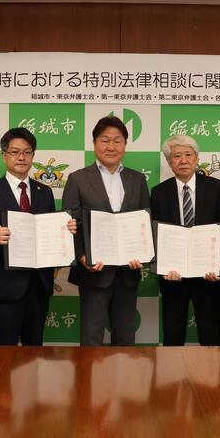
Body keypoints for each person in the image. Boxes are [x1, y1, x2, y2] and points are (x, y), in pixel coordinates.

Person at [0, 127, 76, 346]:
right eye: (15, 152)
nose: (21, 157)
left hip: (38, 285)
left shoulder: (43, 191)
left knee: (34, 348)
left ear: (33, 156)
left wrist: (65, 231)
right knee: (5, 351)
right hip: (5, 286)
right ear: (4, 155)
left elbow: (49, 232)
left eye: (27, 152)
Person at [62, 116, 150, 346]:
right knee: (91, 338)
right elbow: (70, 224)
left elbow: (144, 222)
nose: (111, 146)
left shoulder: (137, 179)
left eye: (117, 141)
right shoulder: (78, 179)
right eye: (105, 140)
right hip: (93, 272)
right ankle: (89, 384)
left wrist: (141, 254)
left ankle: (123, 383)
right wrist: (82, 256)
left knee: (125, 338)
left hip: (127, 273)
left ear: (125, 145)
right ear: (94, 143)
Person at [150, 135, 220, 346]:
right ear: (169, 162)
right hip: (173, 277)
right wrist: (163, 266)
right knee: (172, 336)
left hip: (208, 276)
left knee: (210, 335)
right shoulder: (158, 193)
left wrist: (219, 262)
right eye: (177, 156)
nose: (183, 160)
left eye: (188, 155)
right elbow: (155, 234)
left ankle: (212, 379)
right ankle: (172, 378)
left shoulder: (216, 187)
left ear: (196, 158)